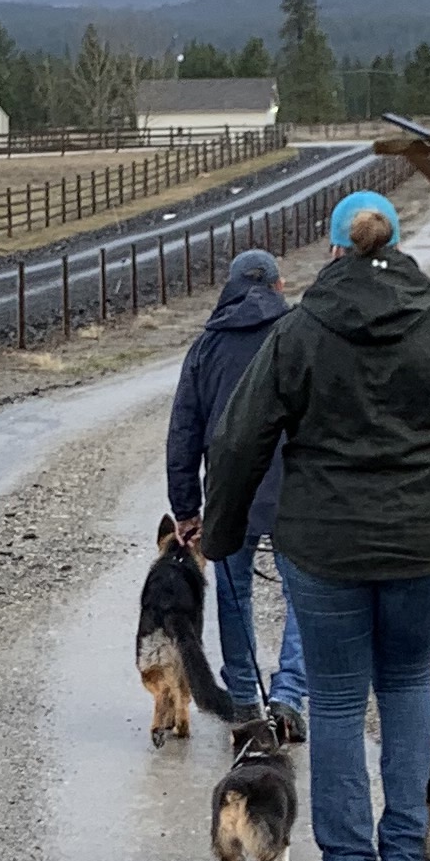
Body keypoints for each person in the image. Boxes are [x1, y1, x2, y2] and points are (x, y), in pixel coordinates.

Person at [199, 188, 430, 861]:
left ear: (335, 249)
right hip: (422, 545)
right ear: (396, 244)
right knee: (405, 686)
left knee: (334, 699)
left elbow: (240, 438)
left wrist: (224, 530)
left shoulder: (301, 332)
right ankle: (407, 859)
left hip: (324, 545)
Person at [163, 244, 307, 734]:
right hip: (294, 491)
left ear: (228, 287)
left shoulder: (206, 347)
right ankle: (288, 697)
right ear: (278, 286)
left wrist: (185, 509)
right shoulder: (299, 336)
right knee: (301, 594)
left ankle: (245, 699)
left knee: (233, 592)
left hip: (229, 493)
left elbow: (183, 432)